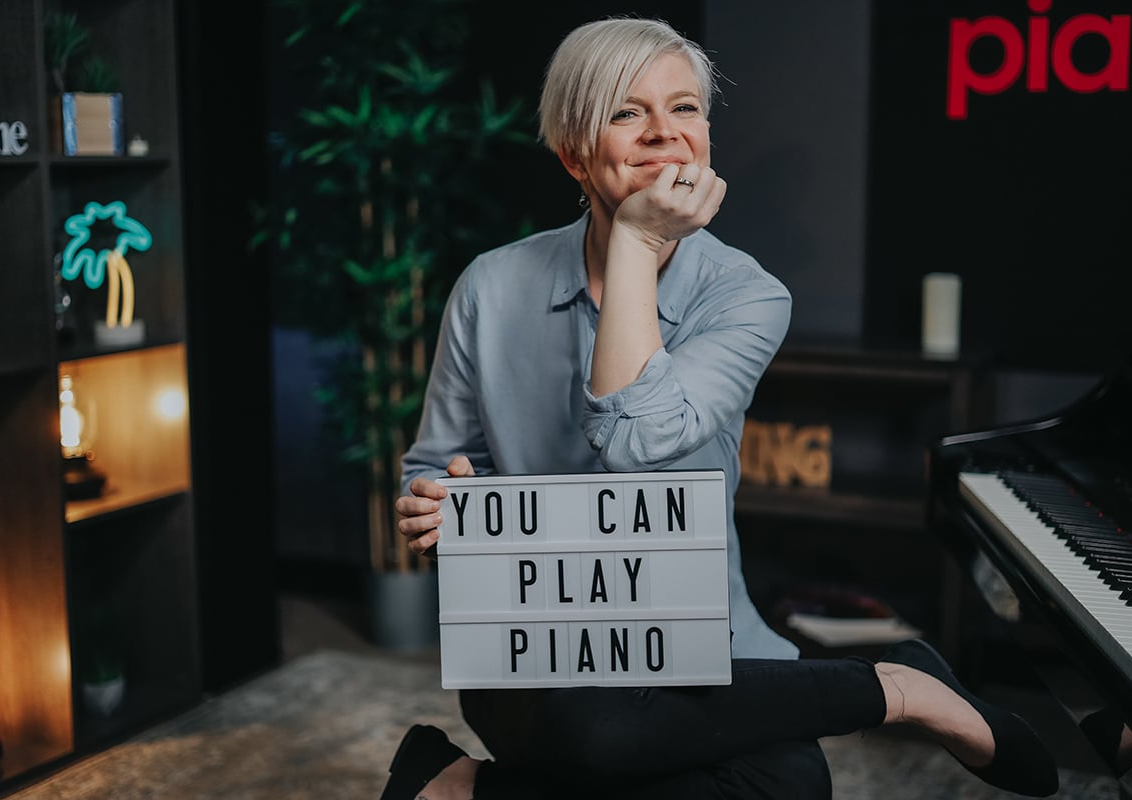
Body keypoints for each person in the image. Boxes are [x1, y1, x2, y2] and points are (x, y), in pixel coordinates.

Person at [384, 15, 1060, 800]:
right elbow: (435, 474)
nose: (663, 134)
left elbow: (638, 444)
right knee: (592, 734)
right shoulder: (490, 287)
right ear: (573, 152)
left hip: (701, 640)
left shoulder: (746, 294)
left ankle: (457, 787)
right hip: (540, 649)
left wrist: (634, 248)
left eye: (685, 109)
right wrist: (443, 510)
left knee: (791, 785)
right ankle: (894, 689)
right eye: (625, 111)